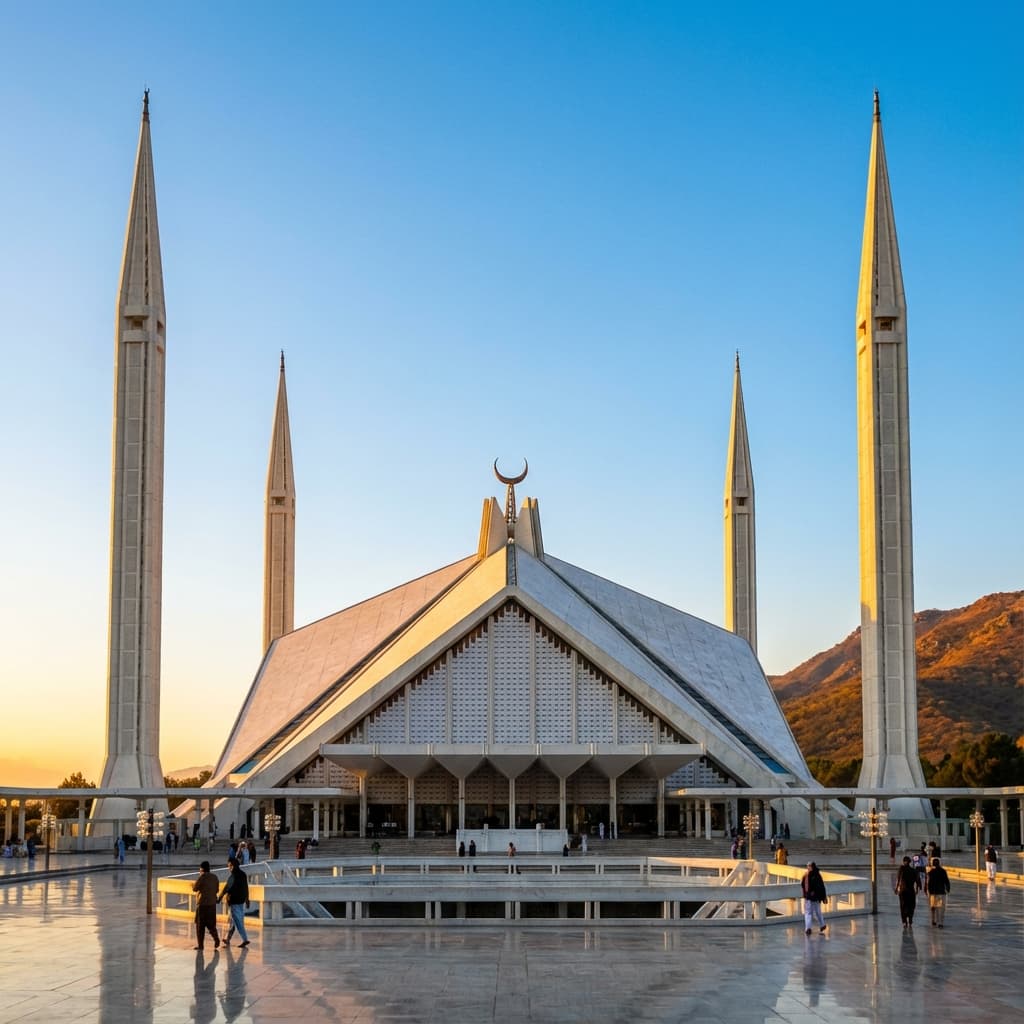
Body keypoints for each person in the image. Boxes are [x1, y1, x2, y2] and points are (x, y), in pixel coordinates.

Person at [219, 856, 251, 947]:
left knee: (236, 921)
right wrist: (247, 899)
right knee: (233, 921)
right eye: (229, 866)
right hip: (240, 901)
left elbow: (226, 888)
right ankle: (227, 939)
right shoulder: (242, 874)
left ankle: (244, 939)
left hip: (234, 902)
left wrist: (220, 897)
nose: (230, 868)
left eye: (231, 866)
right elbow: (246, 888)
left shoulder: (234, 876)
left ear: (235, 865)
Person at [191, 861, 221, 951]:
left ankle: (201, 945)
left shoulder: (202, 877)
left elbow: (195, 888)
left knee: (200, 926)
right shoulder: (215, 877)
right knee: (211, 925)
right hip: (212, 904)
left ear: (202, 869)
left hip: (202, 904)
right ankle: (216, 939)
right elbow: (216, 890)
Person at [801, 862, 828, 935]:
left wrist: (824, 897)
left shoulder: (809, 875)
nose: (808, 867)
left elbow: (822, 887)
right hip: (813, 897)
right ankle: (819, 926)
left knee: (809, 913)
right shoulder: (815, 875)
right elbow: (803, 885)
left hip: (812, 897)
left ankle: (809, 928)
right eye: (807, 866)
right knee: (815, 912)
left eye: (809, 866)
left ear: (812, 867)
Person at [894, 854, 921, 929]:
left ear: (904, 862)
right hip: (910, 891)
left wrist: (896, 888)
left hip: (903, 891)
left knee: (903, 906)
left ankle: (904, 921)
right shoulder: (913, 870)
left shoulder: (901, 869)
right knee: (911, 906)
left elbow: (898, 879)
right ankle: (910, 919)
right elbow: (918, 881)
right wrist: (917, 889)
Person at [925, 857, 951, 928]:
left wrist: (928, 891)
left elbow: (928, 883)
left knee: (933, 907)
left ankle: (933, 920)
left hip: (933, 892)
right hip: (941, 892)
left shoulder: (930, 872)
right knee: (941, 908)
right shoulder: (943, 871)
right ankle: (940, 923)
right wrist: (948, 889)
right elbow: (946, 881)